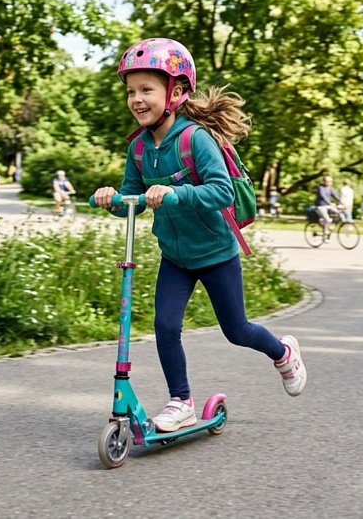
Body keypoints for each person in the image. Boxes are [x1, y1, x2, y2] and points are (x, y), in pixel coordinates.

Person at [93, 38, 306, 433]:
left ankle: (283, 352)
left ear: (175, 92)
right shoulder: (139, 148)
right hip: (175, 255)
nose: (137, 99)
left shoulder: (195, 139)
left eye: (146, 90)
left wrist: (175, 194)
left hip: (215, 252)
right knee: (165, 326)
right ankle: (181, 402)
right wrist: (111, 199)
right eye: (131, 91)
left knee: (236, 329)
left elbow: (222, 191)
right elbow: (132, 199)